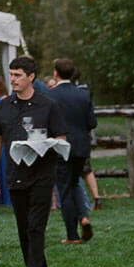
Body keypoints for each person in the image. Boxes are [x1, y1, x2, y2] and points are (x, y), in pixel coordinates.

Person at [0, 56, 68, 267]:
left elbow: (61, 137)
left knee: (36, 227)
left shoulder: (48, 105)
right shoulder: (3, 105)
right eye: (11, 74)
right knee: (24, 228)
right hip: (15, 173)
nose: (13, 79)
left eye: (18, 75)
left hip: (41, 174)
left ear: (31, 76)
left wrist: (46, 145)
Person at [48, 58, 97, 245]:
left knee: (64, 188)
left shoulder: (51, 96)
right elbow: (92, 123)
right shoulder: (83, 95)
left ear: (56, 73)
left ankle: (72, 234)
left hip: (61, 146)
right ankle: (83, 217)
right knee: (75, 182)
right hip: (81, 146)